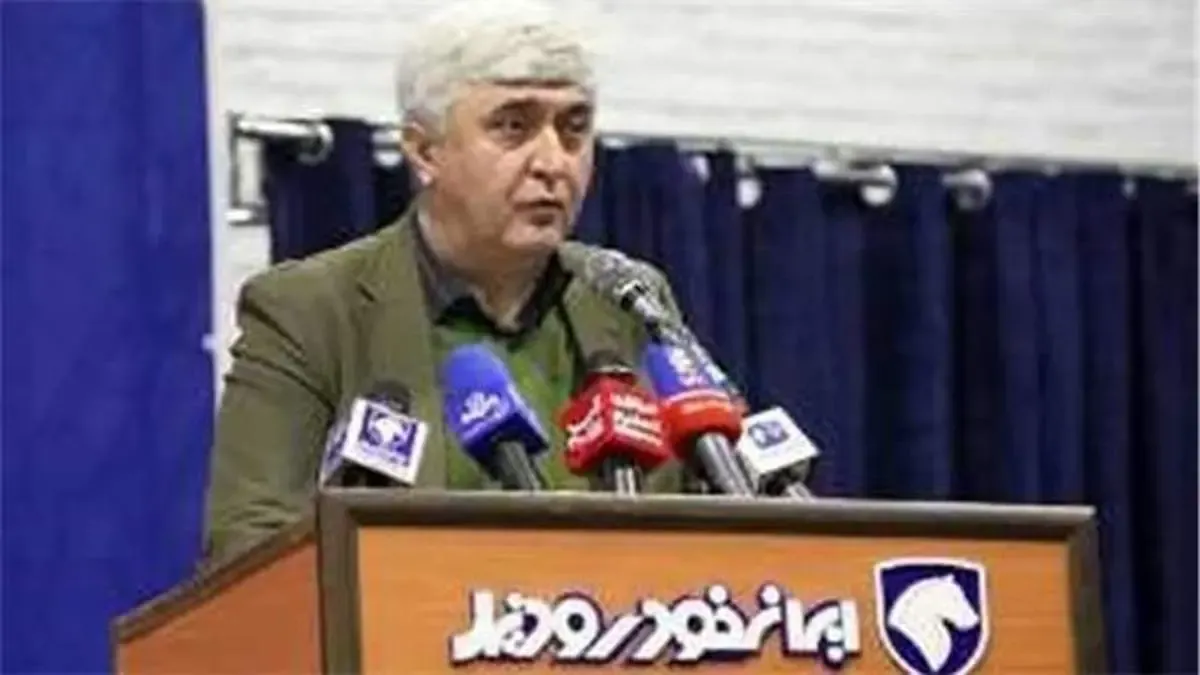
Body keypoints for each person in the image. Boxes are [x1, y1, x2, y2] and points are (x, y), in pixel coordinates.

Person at [203, 0, 691, 561]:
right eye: (513, 127)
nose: (554, 162)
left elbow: (709, 516)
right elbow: (249, 549)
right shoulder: (310, 311)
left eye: (574, 129)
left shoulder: (627, 300)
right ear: (424, 150)